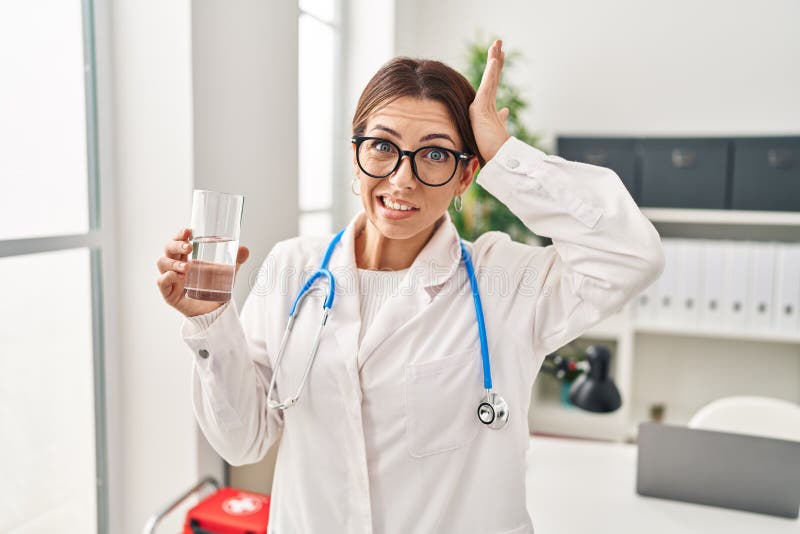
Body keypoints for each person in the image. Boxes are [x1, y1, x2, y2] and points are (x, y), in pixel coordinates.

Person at [156, 40, 664, 534]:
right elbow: (243, 442)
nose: (402, 179)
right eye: (382, 146)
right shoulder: (294, 269)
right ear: (356, 157)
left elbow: (630, 255)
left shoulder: (501, 281)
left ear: (467, 174)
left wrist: (504, 152)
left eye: (435, 155)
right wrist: (210, 321)